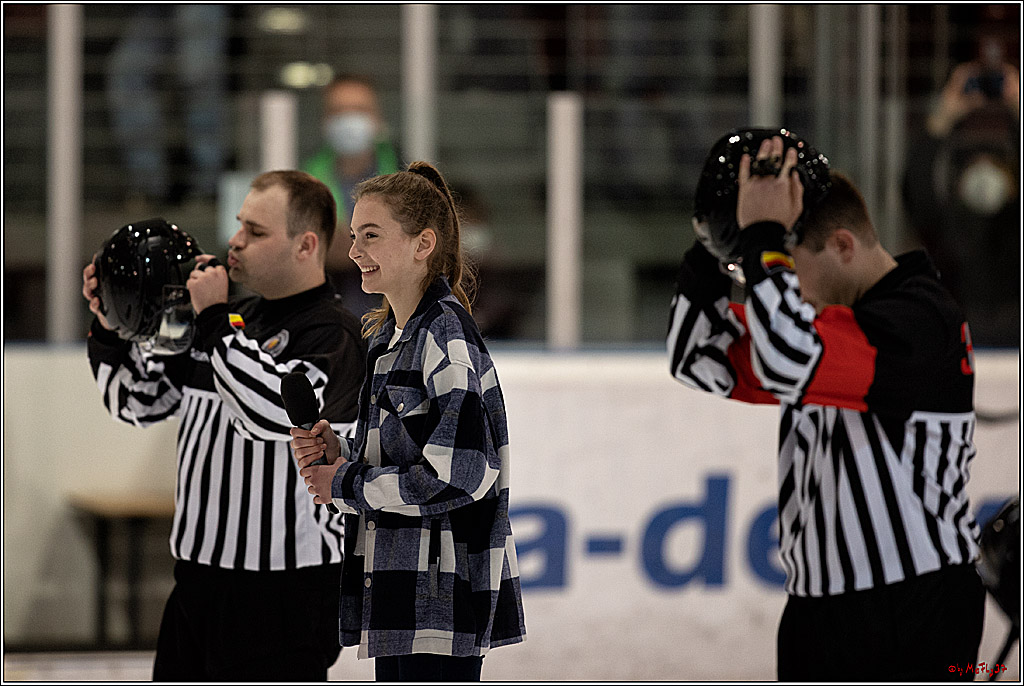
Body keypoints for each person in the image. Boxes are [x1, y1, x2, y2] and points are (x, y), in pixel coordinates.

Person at [668, 131, 985, 681]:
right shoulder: (820, 330)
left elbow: (789, 357)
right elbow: (696, 356)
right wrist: (721, 236)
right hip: (820, 612)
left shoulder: (918, 323)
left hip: (914, 609)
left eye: (786, 267)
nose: (779, 287)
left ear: (842, 246)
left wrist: (762, 234)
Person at [81, 170, 367, 680]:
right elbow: (138, 402)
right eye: (240, 225)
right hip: (196, 584)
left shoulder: (334, 334)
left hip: (284, 596)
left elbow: (272, 416)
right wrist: (110, 328)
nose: (236, 241)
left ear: (305, 245)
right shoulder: (224, 320)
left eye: (256, 232)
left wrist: (214, 321)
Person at [289, 161, 527, 681]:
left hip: (438, 602)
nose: (354, 252)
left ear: (422, 244)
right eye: (353, 237)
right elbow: (406, 457)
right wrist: (343, 455)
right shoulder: (387, 337)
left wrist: (346, 483)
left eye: (370, 236)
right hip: (401, 594)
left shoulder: (445, 340)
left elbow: (457, 473)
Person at [902, 25, 1020, 347]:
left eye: (993, 160)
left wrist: (944, 117)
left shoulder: (1005, 231)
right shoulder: (955, 232)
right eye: (975, 159)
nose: (984, 171)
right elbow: (918, 191)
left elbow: (918, 188)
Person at [302, 73, 401, 317]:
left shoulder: (406, 177)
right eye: (339, 111)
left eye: (359, 110)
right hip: (324, 316)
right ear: (325, 121)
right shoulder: (304, 182)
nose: (349, 119)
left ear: (377, 120)